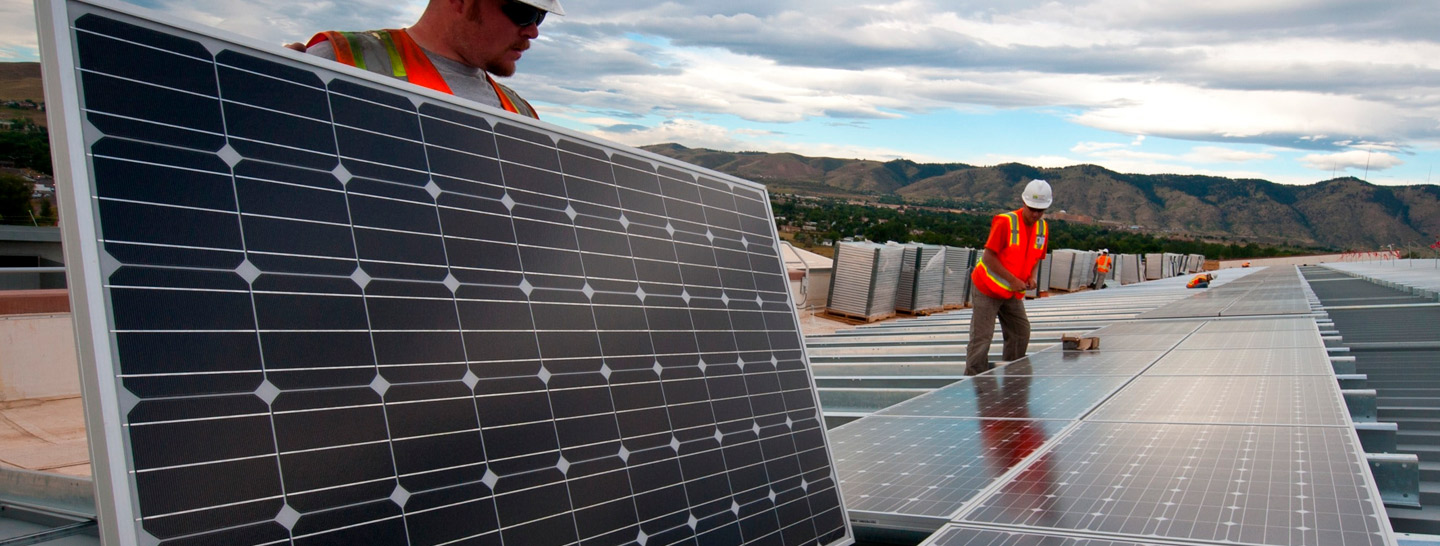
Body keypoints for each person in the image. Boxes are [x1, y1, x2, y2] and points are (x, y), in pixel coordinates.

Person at [298, 0, 563, 118]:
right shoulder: (340, 61)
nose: (533, 31)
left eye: (541, 16)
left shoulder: (522, 115)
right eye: (523, 12)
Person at [966, 180, 1051, 376]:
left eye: (1041, 210)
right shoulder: (1006, 222)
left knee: (1020, 332)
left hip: (1012, 291)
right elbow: (988, 257)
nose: (1036, 214)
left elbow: (1038, 256)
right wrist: (1012, 279)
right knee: (982, 338)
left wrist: (1032, 276)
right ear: (1024, 203)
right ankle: (973, 381)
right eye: (1032, 209)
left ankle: (1012, 375)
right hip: (987, 287)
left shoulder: (1042, 228)